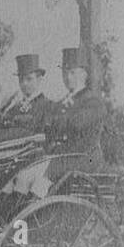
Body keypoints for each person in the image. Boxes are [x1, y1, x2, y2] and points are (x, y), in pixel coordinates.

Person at [46, 45, 109, 174]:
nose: (68, 77)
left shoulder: (93, 102)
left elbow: (76, 124)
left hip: (84, 159)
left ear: (84, 74)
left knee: (37, 179)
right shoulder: (61, 103)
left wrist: (56, 119)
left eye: (72, 72)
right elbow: (48, 128)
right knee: (24, 175)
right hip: (62, 158)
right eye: (65, 72)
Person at [0, 53, 52, 140]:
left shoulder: (48, 106)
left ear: (39, 79)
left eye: (29, 79)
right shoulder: (14, 109)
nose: (24, 84)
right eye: (21, 80)